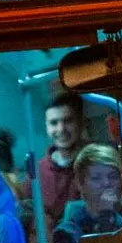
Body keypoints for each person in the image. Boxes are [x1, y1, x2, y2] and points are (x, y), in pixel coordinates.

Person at [52, 143, 122, 243]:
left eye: (113, 176)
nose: (106, 183)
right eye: (96, 178)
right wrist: (104, 216)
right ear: (80, 184)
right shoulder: (67, 231)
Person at [37, 92, 86, 225]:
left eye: (68, 121)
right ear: (46, 127)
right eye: (53, 123)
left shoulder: (97, 162)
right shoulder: (37, 172)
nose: (61, 129)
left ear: (80, 123)